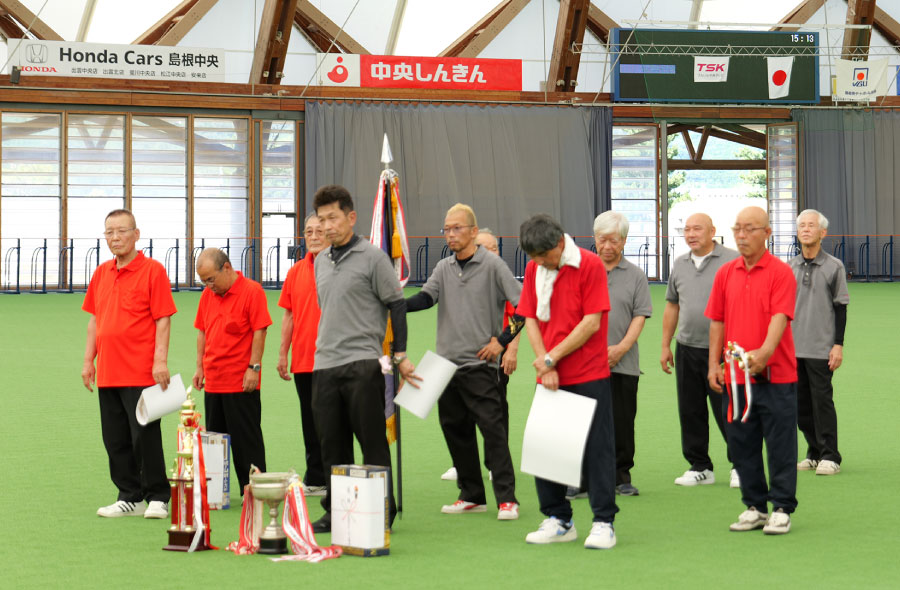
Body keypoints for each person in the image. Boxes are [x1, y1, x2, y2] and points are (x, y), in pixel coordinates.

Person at [310, 185, 420, 534]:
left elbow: (397, 304)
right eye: (321, 219)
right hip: (324, 365)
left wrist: (399, 354)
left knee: (371, 440)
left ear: (351, 217)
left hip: (362, 363)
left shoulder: (374, 257)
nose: (327, 226)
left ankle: (381, 507)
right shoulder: (320, 262)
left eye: (333, 218)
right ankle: (337, 508)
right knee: (332, 444)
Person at [406, 207, 521, 520]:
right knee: (455, 430)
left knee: (493, 430)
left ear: (473, 231)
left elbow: (523, 309)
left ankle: (508, 499)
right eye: (446, 229)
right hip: (444, 367)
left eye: (457, 229)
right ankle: (471, 494)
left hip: (480, 365)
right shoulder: (443, 267)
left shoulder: (493, 265)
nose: (450, 235)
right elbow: (427, 298)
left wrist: (501, 342)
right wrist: (396, 305)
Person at [517, 214, 618, 550]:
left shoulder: (589, 265)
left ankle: (604, 522)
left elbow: (591, 323)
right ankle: (559, 518)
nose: (538, 263)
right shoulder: (535, 268)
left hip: (589, 371)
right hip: (549, 374)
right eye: (533, 257)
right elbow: (529, 316)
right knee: (546, 448)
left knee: (596, 451)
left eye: (543, 255)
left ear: (560, 243)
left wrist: (551, 358)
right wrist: (545, 363)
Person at [706, 206, 798, 535]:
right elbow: (717, 319)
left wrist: (765, 353)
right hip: (734, 378)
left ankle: (782, 507)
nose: (742, 236)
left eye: (750, 229)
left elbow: (780, 318)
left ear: (767, 234)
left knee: (780, 444)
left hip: (776, 377)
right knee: (741, 443)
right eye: (737, 229)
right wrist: (713, 364)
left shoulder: (780, 273)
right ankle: (755, 506)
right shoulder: (725, 273)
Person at [82, 209, 174, 519]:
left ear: (136, 234)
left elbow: (163, 319)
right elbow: (95, 320)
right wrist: (88, 362)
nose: (115, 237)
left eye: (122, 231)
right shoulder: (101, 273)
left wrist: (160, 360)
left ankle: (158, 496)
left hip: (141, 370)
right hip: (108, 371)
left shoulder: (153, 271)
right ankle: (129, 495)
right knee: (115, 437)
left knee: (145, 435)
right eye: (109, 232)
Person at [661, 213, 741, 488]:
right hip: (686, 347)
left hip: (723, 351)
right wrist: (665, 345)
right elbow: (672, 305)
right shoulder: (680, 264)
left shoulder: (731, 260)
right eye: (687, 229)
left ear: (712, 232)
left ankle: (740, 464)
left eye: (697, 229)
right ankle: (700, 467)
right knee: (690, 410)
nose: (691, 234)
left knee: (729, 409)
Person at [439, 228, 522, 483]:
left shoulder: (499, 274)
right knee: (459, 415)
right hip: (458, 358)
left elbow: (518, 314)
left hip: (491, 357)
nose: (489, 252)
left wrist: (510, 348)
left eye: (493, 247)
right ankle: (462, 464)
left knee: (494, 414)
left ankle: (493, 464)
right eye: (483, 247)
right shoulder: (457, 271)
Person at [192, 248, 271, 495]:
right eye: (203, 281)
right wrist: (199, 367)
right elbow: (202, 331)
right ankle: (216, 493)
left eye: (211, 279)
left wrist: (254, 368)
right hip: (214, 379)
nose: (208, 285)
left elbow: (260, 331)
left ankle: (254, 489)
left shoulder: (252, 291)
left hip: (241, 380)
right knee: (214, 440)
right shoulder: (207, 295)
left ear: (227, 268)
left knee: (247, 439)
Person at [593, 212, 652, 497]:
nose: (607, 246)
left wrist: (620, 349)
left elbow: (640, 316)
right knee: (584, 420)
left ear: (624, 241)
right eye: (602, 239)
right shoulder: (582, 271)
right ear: (595, 239)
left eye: (613, 240)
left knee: (622, 421)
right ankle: (580, 478)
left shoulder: (636, 276)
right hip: (585, 365)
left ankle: (620, 476)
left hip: (623, 364)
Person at [790, 209, 849, 476]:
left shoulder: (834, 266)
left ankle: (830, 455)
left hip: (821, 347)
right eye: (801, 225)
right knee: (800, 404)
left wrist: (838, 344)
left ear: (822, 232)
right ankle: (814, 452)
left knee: (822, 401)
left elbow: (840, 307)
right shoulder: (789, 267)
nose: (805, 229)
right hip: (793, 347)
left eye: (811, 225)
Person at [277, 214, 329, 496]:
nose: (313, 235)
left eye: (319, 230)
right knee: (309, 420)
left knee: (332, 420)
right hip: (304, 360)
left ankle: (335, 475)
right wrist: (283, 354)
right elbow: (289, 315)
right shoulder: (296, 271)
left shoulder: (337, 266)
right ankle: (316, 477)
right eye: (308, 231)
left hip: (334, 359)